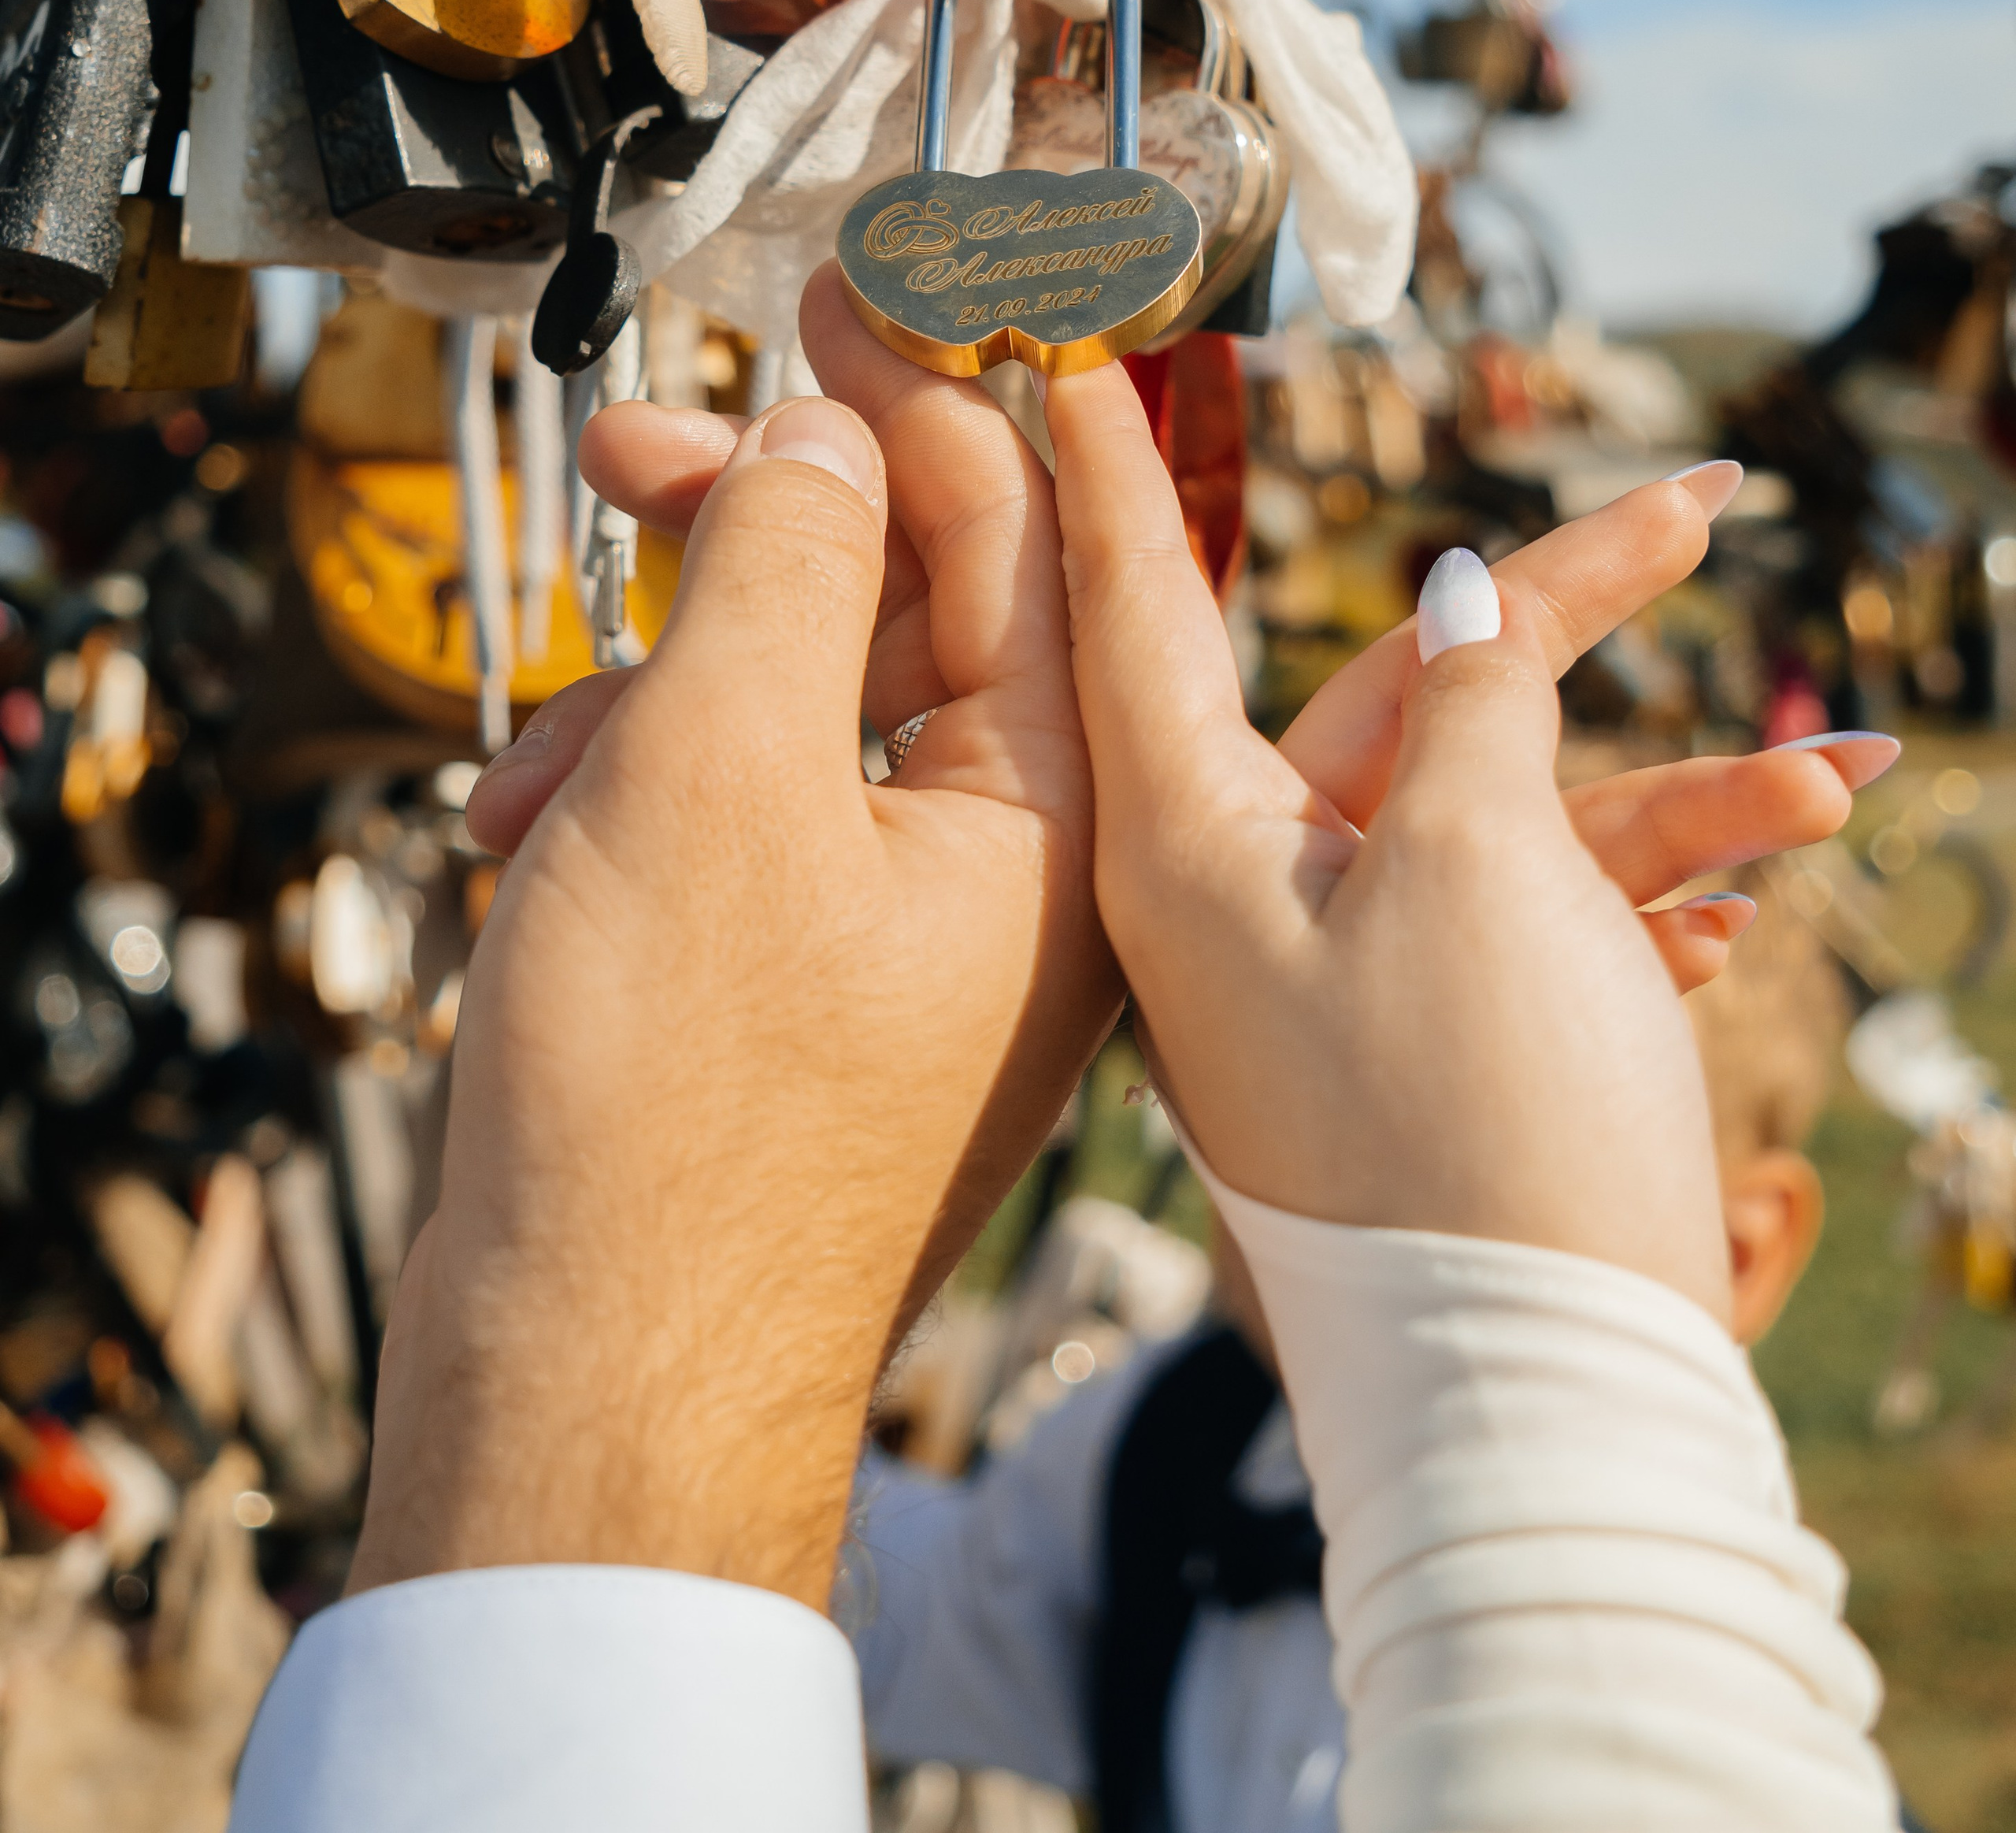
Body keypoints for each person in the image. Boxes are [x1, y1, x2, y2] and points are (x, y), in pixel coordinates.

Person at [226, 269, 1904, 1831]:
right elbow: (918, 1622)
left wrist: (632, 1316)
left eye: (1479, 1039)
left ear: (1752, 1241)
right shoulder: (1163, 1456)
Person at [843, 843, 1877, 1833]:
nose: (1326, 1173)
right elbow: (917, 1631)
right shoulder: (1174, 1435)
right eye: (1297, 1067)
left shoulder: (1710, 1683)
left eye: (1480, 1122)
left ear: (1733, 1255)